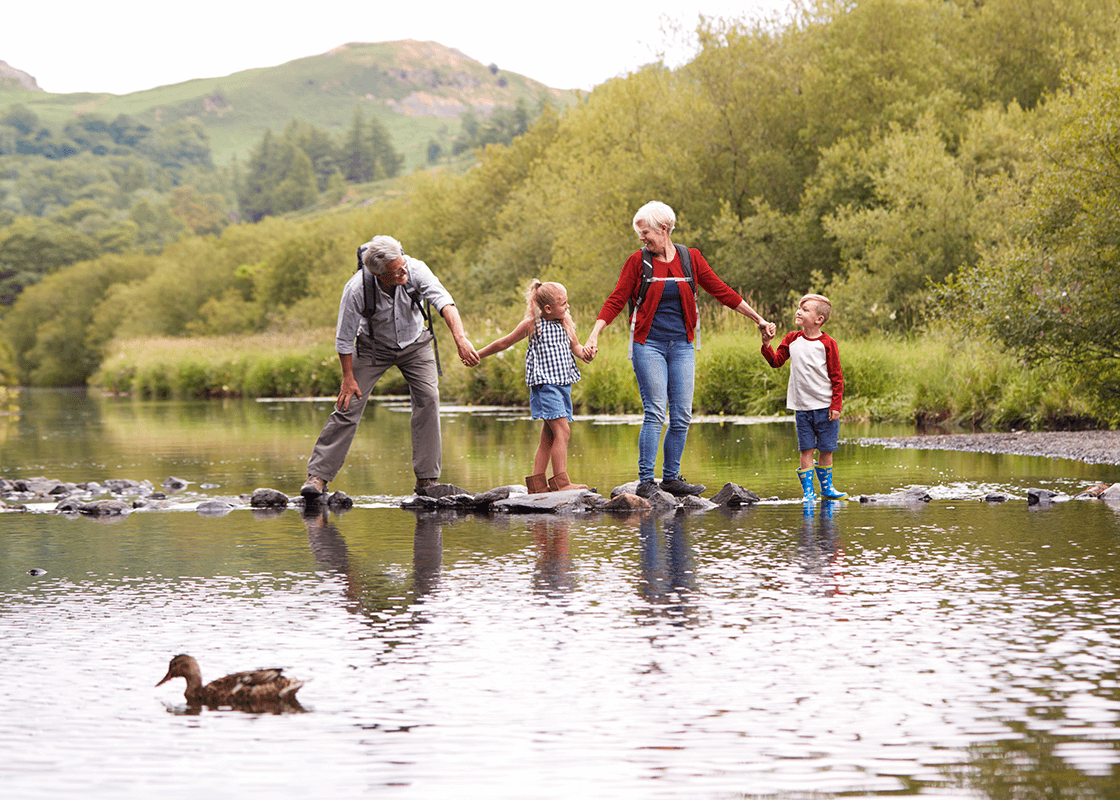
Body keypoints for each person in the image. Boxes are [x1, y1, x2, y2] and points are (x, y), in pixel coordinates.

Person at [584, 201, 774, 499]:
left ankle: (671, 478)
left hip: (683, 345)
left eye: (645, 232)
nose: (642, 239)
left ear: (664, 228)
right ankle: (646, 480)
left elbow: (722, 291)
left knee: (683, 413)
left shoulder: (690, 258)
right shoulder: (638, 261)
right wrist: (595, 333)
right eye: (639, 234)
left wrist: (758, 319)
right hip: (648, 344)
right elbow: (617, 299)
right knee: (656, 411)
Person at [300, 235, 479, 500]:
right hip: (373, 348)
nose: (403, 270)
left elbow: (445, 303)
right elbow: (344, 338)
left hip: (416, 344)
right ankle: (317, 477)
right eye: (396, 271)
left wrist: (460, 339)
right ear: (378, 274)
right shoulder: (356, 289)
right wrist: (348, 378)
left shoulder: (415, 269)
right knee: (349, 404)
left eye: (402, 264)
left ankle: (427, 480)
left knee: (428, 400)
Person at [474, 279, 590, 493]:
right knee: (563, 431)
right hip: (546, 386)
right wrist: (478, 354)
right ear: (548, 308)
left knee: (549, 435)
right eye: (563, 303)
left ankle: (537, 484)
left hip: (563, 385)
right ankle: (561, 483)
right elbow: (504, 342)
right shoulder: (532, 324)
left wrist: (586, 354)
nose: (567, 307)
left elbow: (576, 347)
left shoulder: (565, 322)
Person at [760, 293, 848, 502]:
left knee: (826, 449)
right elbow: (776, 361)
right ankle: (808, 492)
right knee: (806, 448)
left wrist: (836, 405)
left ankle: (827, 489)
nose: (798, 311)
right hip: (802, 408)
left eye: (805, 309)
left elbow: (837, 377)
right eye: (799, 307)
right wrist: (766, 344)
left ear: (819, 319)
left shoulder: (828, 343)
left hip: (825, 407)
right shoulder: (792, 339)